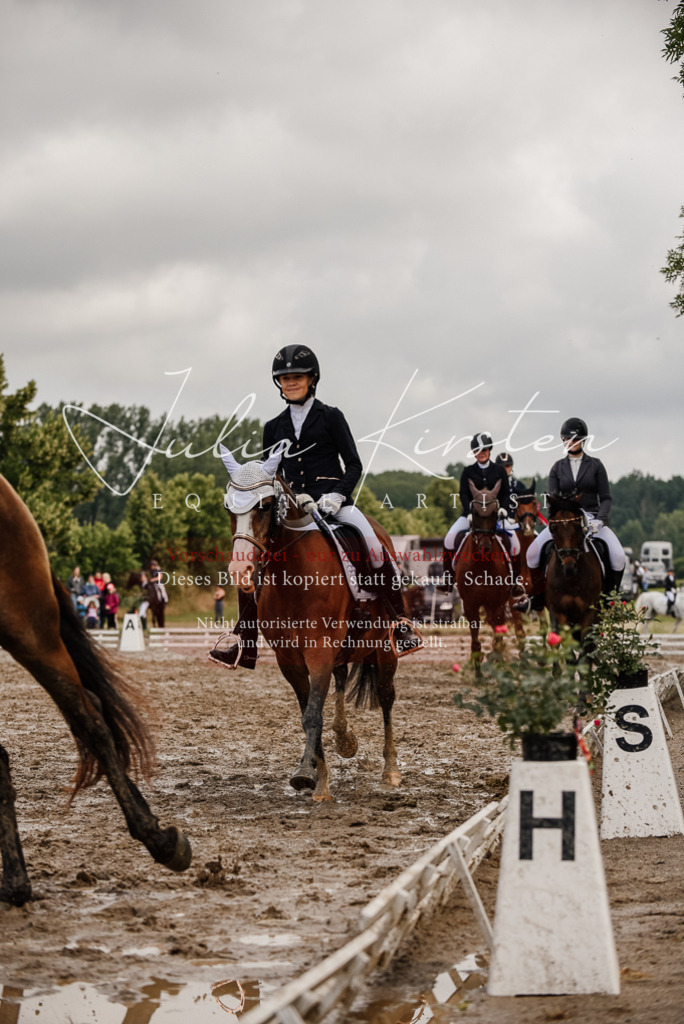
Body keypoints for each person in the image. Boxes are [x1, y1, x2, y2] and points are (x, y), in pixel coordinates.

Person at [210, 344, 421, 669]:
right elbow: (271, 476)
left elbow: (353, 464)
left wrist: (336, 495)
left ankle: (399, 623)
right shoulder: (273, 427)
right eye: (284, 378)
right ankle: (244, 640)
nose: (291, 382)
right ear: (278, 383)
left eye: (297, 377)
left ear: (312, 379)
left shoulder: (331, 417)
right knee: (250, 559)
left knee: (373, 546)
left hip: (333, 503)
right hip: (292, 510)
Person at [526, 417, 626, 601]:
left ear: (583, 440)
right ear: (563, 441)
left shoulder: (596, 465)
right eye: (567, 439)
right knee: (531, 553)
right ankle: (538, 597)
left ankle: (611, 598)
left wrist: (600, 520)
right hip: (565, 520)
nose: (571, 443)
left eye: (576, 439)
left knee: (619, 555)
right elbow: (553, 499)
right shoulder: (557, 468)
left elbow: (605, 498)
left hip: (592, 517)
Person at [443, 433, 525, 603]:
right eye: (477, 450)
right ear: (474, 452)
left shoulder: (499, 471)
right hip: (472, 516)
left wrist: (502, 508)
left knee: (515, 544)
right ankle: (448, 580)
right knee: (449, 539)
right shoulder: (468, 471)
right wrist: (469, 511)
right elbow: (464, 493)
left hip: (496, 516)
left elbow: (505, 493)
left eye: (484, 450)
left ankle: (515, 583)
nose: (481, 453)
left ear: (489, 451)